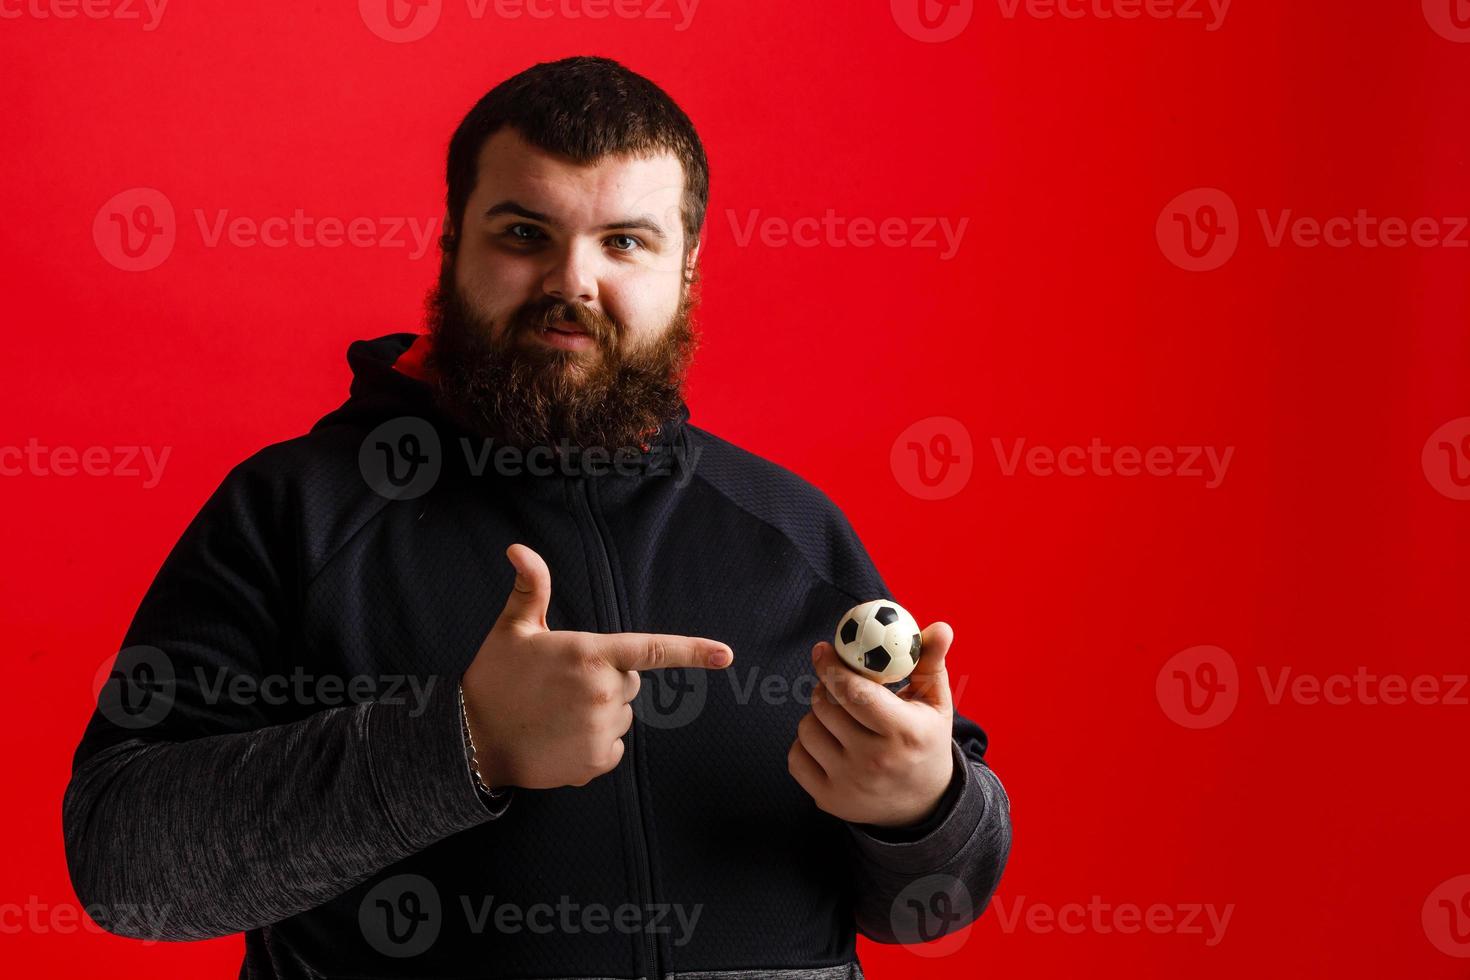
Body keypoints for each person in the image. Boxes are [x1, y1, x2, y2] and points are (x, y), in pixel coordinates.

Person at [62, 55, 1011, 979]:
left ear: (688, 272)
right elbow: (121, 867)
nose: (572, 282)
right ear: (450, 244)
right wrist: (461, 740)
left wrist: (921, 809)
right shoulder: (294, 513)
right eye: (524, 233)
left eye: (625, 242)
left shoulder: (791, 527)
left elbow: (936, 899)